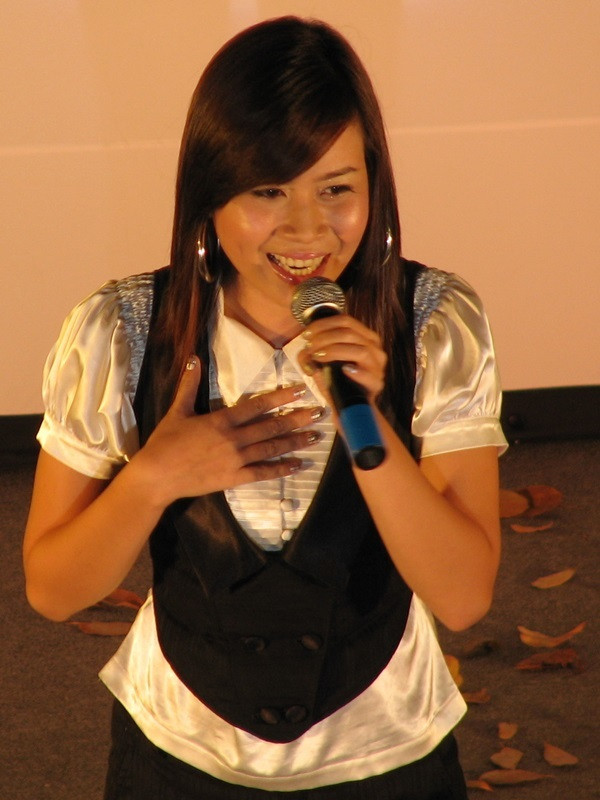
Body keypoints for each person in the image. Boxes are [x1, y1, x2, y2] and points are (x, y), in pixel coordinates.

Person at [23, 16, 507, 800]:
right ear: (210, 192)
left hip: (385, 751)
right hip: (176, 752)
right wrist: (153, 479)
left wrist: (369, 420)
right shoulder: (123, 329)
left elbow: (463, 597)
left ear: (374, 187)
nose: (307, 229)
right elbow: (52, 589)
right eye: (268, 190)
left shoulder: (432, 321)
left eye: (337, 189)